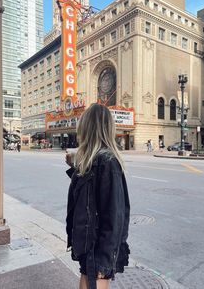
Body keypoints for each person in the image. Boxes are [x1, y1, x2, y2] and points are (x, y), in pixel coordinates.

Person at [65, 103, 130, 289]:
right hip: (88, 247)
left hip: (97, 250)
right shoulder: (93, 161)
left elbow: (115, 217)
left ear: (88, 128)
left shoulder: (108, 162)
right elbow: (88, 195)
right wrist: (76, 165)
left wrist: (104, 260)